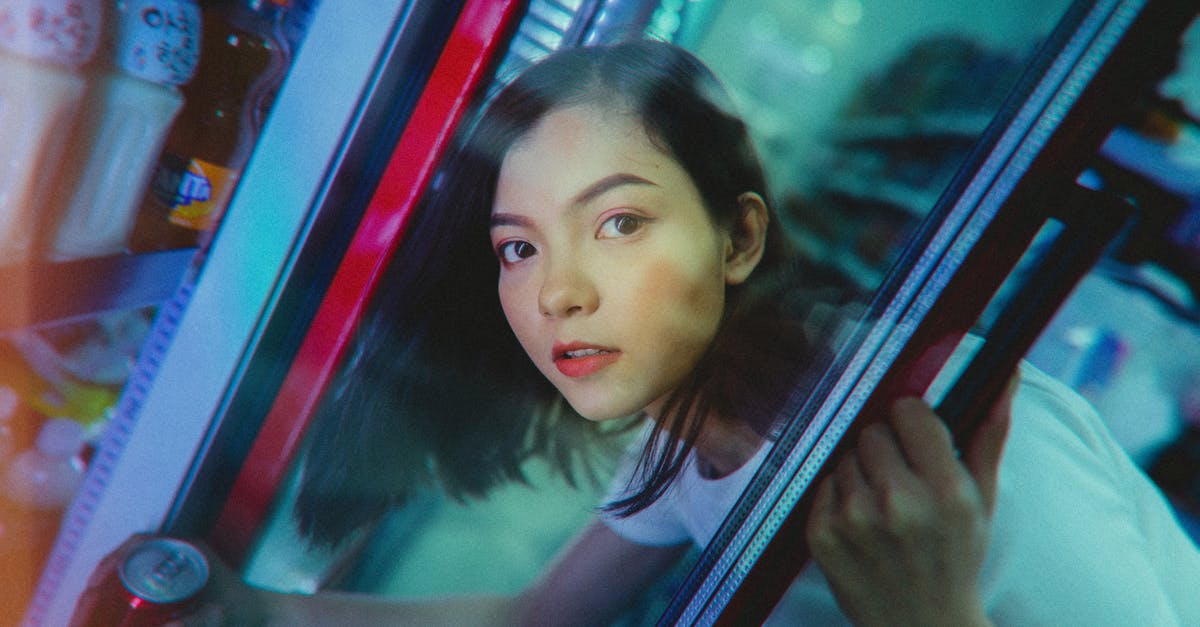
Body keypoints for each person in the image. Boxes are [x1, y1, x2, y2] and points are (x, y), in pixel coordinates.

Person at [74, 39, 1200, 626]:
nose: (556, 291)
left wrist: (933, 617)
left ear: (739, 236)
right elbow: (533, 618)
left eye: (617, 221)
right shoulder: (699, 429)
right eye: (516, 247)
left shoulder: (949, 446)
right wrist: (251, 612)